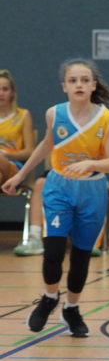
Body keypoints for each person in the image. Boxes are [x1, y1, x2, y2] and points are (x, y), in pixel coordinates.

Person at [1, 58, 109, 337]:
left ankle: (72, 308)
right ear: (64, 86)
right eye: (72, 80)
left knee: (81, 256)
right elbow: (46, 144)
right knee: (53, 251)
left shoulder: (106, 119)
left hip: (92, 191)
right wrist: (19, 177)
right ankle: (49, 297)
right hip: (59, 187)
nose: (78, 84)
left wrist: (91, 164)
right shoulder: (54, 114)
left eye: (84, 80)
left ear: (93, 85)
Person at [0, 70, 43, 256]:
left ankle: (34, 238)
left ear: (12, 93)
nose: (1, 93)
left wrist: (6, 154)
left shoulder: (23, 116)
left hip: (15, 169)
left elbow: (30, 151)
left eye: (5, 89)